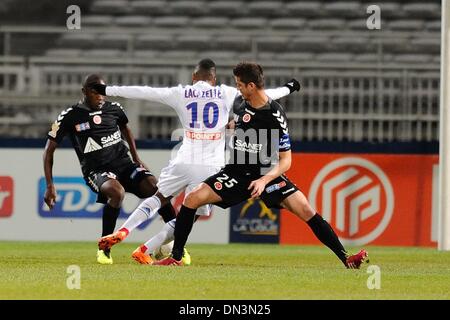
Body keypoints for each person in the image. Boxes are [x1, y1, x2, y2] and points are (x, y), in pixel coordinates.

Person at [154, 62, 369, 269]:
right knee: (192, 199)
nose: (237, 88)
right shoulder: (240, 103)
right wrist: (224, 129)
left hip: (266, 173)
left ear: (251, 86)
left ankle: (347, 259)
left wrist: (264, 180)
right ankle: (177, 258)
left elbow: (286, 161)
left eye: (239, 84)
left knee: (306, 209)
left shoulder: (274, 116)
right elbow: (237, 123)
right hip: (236, 172)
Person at [93, 59, 300, 264]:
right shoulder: (226, 92)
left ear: (194, 77)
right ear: (214, 78)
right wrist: (289, 87)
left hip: (183, 159)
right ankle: (147, 248)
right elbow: (267, 95)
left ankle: (123, 230)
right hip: (209, 165)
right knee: (189, 216)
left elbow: (145, 91)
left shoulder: (181, 92)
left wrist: (107, 89)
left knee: (159, 197)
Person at [43, 74, 177, 265]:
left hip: (125, 165)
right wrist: (50, 185)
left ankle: (176, 244)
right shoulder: (70, 116)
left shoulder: (114, 109)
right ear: (84, 92)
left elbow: (126, 129)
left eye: (102, 91)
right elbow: (48, 151)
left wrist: (137, 159)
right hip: (97, 171)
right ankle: (104, 249)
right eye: (94, 91)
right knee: (117, 192)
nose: (99, 96)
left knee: (157, 189)